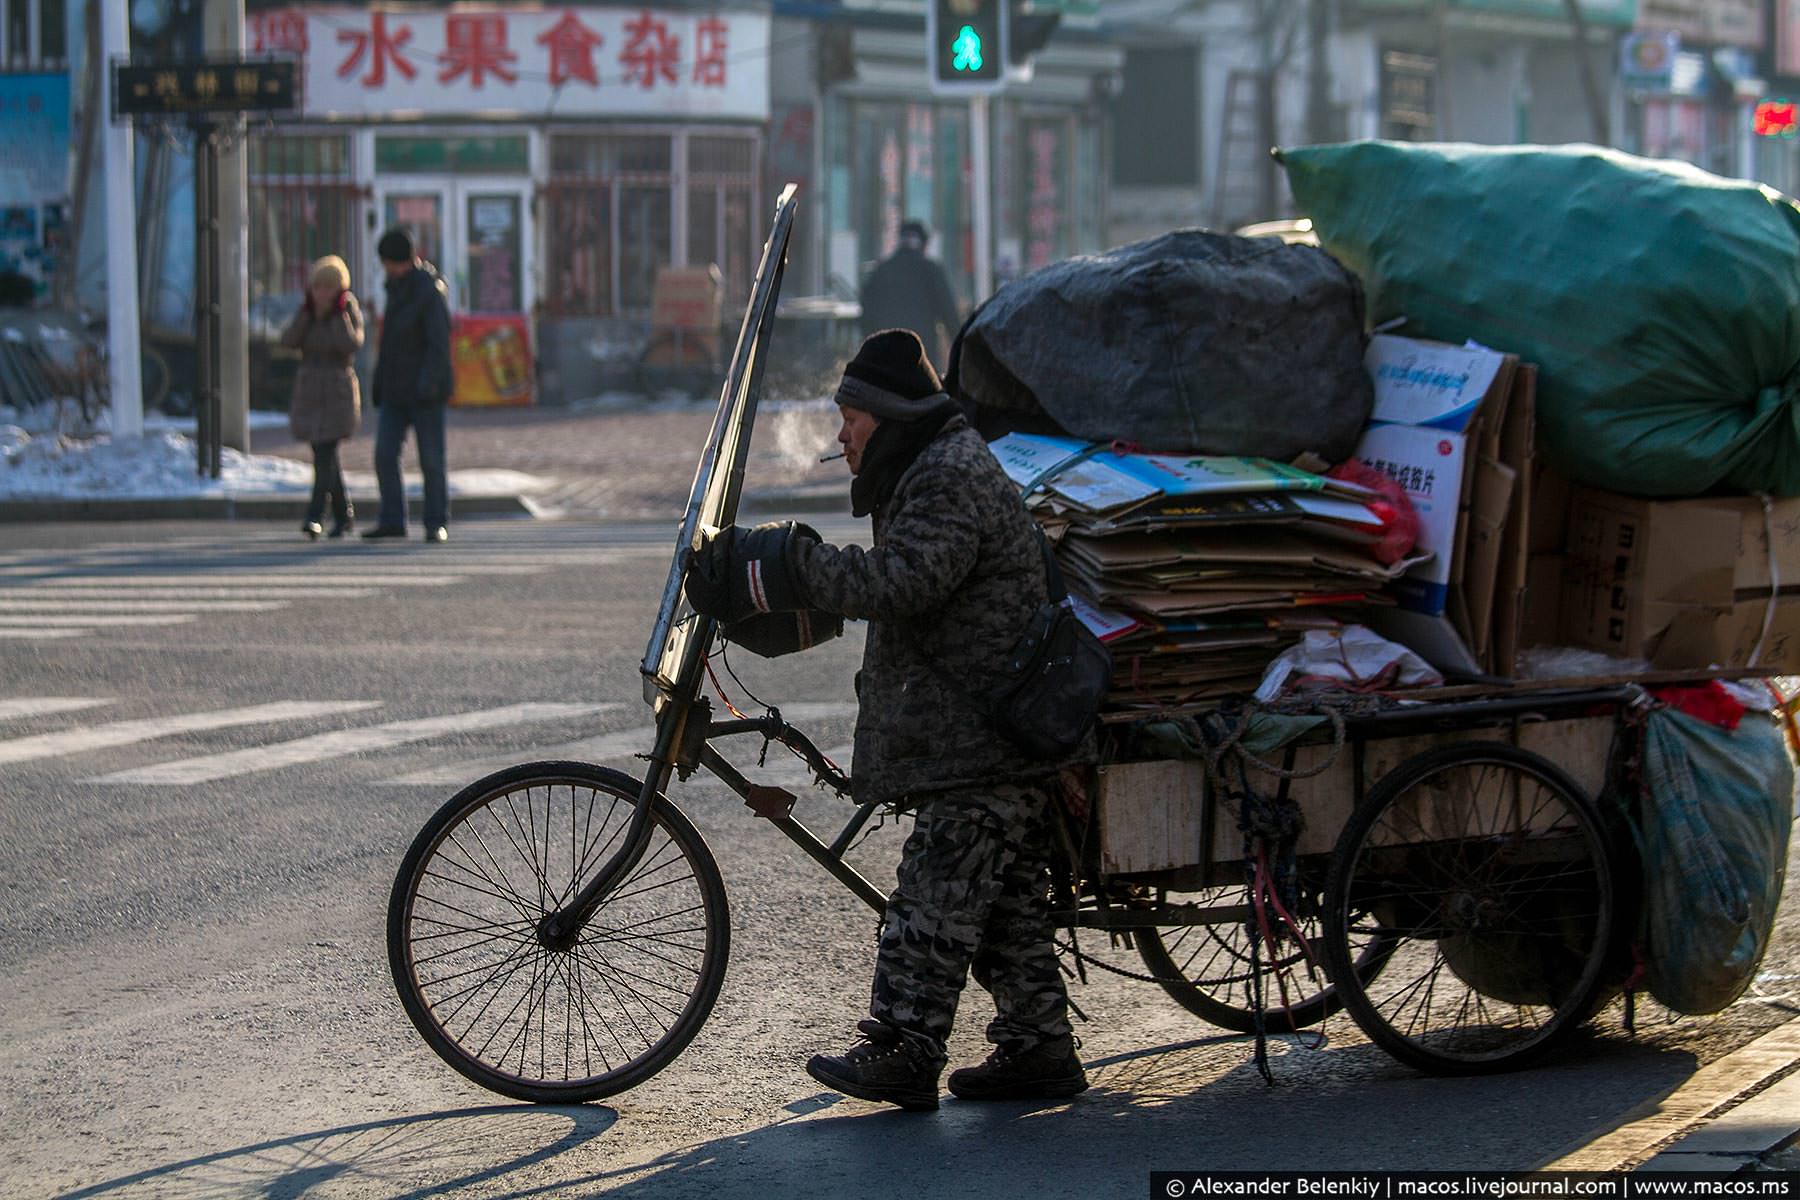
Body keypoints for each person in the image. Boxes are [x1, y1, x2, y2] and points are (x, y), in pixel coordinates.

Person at [684, 328, 1089, 1112]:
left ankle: (903, 1051)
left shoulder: (945, 475)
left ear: (889, 414)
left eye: (851, 418)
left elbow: (904, 583)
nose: (841, 434)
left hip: (992, 734)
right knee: (1001, 903)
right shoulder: (929, 467)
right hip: (979, 724)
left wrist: (797, 565)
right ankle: (1040, 1050)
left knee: (933, 897)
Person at [364, 228, 453, 543]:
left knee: (431, 459)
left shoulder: (428, 291)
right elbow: (389, 343)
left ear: (402, 261)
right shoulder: (395, 288)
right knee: (385, 454)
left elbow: (439, 345)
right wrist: (379, 382)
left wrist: (427, 383)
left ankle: (435, 521)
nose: (386, 268)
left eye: (388, 262)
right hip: (395, 390)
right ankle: (392, 519)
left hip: (425, 392)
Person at [281, 255, 364, 539]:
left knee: (325, 454)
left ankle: (316, 515)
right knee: (324, 455)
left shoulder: (347, 309)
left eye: (328, 288)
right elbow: (289, 340)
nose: (322, 294)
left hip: (337, 390)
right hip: (310, 390)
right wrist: (307, 314)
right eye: (318, 287)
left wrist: (337, 315)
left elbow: (351, 343)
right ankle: (343, 514)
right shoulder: (307, 311)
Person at [859, 220, 962, 372]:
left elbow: (866, 316)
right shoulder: (931, 270)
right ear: (924, 244)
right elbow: (949, 315)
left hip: (886, 356)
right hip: (922, 356)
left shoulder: (881, 271)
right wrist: (961, 347)